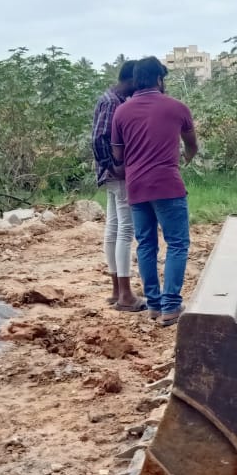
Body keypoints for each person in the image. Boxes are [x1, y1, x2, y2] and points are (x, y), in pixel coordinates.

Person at [111, 56, 197, 326]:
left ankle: (155, 305)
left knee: (146, 244)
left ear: (135, 80)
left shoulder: (121, 112)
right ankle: (171, 305)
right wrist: (185, 159)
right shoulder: (177, 107)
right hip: (168, 185)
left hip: (136, 187)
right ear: (160, 79)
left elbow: (117, 155)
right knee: (177, 243)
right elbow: (192, 145)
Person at [90, 60, 145, 311]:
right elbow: (99, 138)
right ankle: (125, 294)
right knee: (125, 230)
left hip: (111, 173)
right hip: (118, 173)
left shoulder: (111, 99)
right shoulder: (113, 102)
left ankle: (117, 290)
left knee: (113, 228)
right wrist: (114, 166)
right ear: (131, 80)